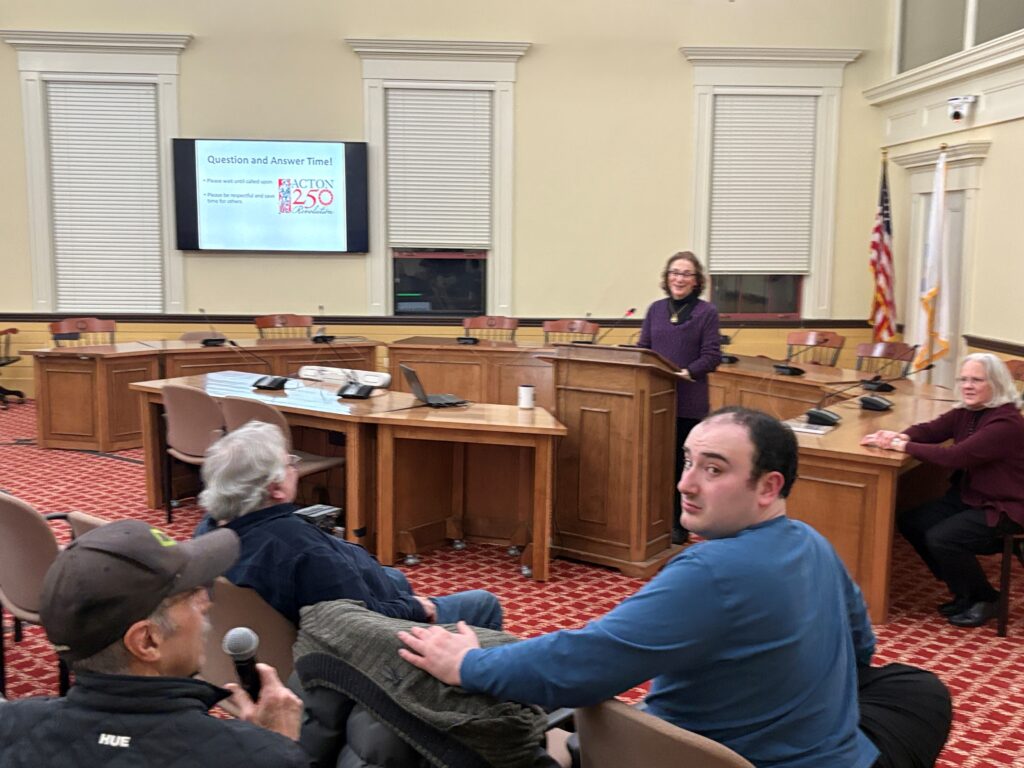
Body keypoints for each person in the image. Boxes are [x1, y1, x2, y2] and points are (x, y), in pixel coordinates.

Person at [398, 407, 952, 768]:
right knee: (917, 688)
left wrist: (466, 665)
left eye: (712, 469)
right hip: (832, 754)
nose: (685, 482)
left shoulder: (708, 573)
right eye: (687, 462)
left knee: (908, 689)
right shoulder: (812, 541)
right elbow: (860, 649)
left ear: (768, 486)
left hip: (705, 757)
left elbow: (579, 664)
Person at [0, 519, 310, 767]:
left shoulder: (10, 726)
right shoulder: (262, 756)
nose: (206, 602)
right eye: (192, 594)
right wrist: (279, 746)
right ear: (147, 641)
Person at [193, 420, 503, 630]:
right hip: (368, 647)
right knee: (483, 603)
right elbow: (363, 624)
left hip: (285, 635)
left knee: (393, 576)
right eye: (290, 463)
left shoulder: (207, 536)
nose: (294, 468)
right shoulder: (303, 552)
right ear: (275, 488)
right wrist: (419, 609)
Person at [862, 352, 1024, 627]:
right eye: (963, 379)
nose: (967, 386)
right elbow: (932, 429)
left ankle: (986, 598)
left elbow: (955, 457)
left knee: (942, 537)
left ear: (996, 384)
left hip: (1005, 506)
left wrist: (903, 447)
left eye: (976, 380)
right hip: (972, 497)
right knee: (912, 522)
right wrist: (901, 436)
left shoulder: (1005, 422)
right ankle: (964, 591)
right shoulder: (968, 412)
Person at [637, 251, 721, 544]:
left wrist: (688, 372)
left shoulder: (706, 312)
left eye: (686, 274)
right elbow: (643, 349)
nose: (679, 279)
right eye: (675, 272)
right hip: (654, 401)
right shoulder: (655, 309)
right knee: (654, 463)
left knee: (681, 466)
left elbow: (712, 356)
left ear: (696, 281)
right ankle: (652, 522)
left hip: (688, 401)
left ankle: (679, 523)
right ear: (666, 277)